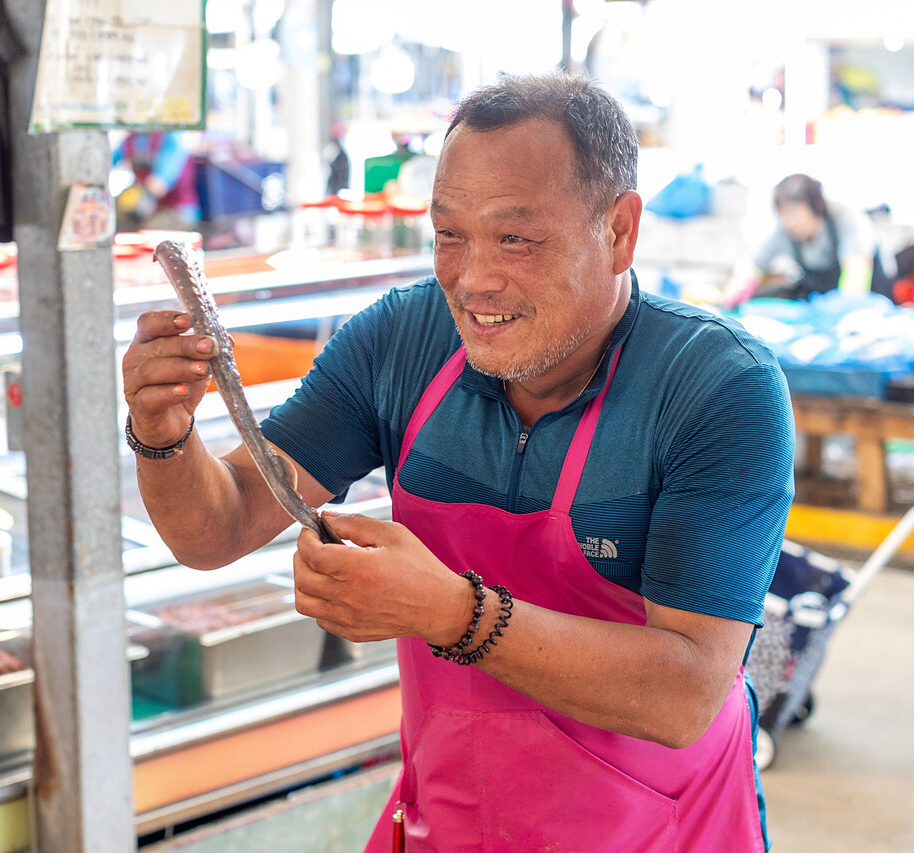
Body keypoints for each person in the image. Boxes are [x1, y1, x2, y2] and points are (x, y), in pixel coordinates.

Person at [122, 73, 795, 852]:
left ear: (620, 231)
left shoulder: (715, 387)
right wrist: (165, 435)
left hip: (660, 830)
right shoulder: (401, 343)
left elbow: (683, 694)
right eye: (449, 235)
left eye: (517, 238)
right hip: (458, 817)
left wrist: (452, 612)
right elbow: (222, 524)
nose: (473, 279)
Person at [727, 172, 892, 305]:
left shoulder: (845, 219)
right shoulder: (784, 231)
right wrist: (733, 295)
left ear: (816, 208)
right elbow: (753, 266)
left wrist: (845, 309)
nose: (789, 222)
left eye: (795, 213)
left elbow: (857, 270)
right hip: (822, 306)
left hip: (870, 301)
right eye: (783, 214)